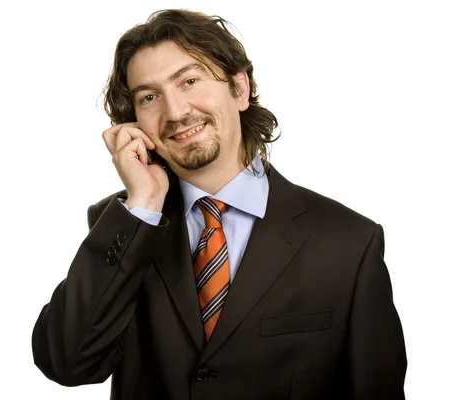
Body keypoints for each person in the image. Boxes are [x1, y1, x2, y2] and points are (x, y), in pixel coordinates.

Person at [31, 9, 407, 399]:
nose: (175, 112)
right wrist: (143, 203)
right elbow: (66, 363)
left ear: (240, 89)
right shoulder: (127, 225)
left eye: (190, 81)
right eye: (149, 97)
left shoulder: (348, 243)